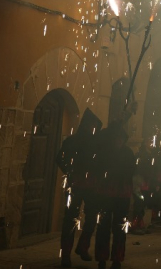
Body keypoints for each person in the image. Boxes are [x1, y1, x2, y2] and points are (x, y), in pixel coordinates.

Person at [56, 109, 101, 267]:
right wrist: (70, 172)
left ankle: (79, 248)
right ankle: (68, 255)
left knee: (88, 219)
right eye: (93, 125)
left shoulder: (94, 142)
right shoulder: (75, 141)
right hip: (77, 185)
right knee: (72, 220)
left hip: (89, 186)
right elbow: (60, 158)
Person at [92, 122, 135, 269]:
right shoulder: (104, 153)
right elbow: (97, 171)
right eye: (116, 139)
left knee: (119, 228)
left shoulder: (128, 153)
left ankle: (117, 259)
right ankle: (101, 258)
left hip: (122, 196)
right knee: (103, 227)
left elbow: (132, 173)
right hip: (105, 195)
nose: (119, 141)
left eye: (121, 139)